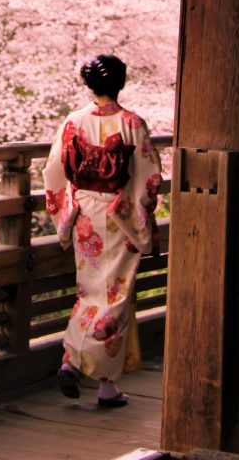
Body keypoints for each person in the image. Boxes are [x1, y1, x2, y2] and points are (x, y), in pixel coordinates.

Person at [43, 54, 161, 407]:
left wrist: (67, 206)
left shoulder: (72, 121)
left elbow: (53, 172)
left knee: (88, 289)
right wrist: (139, 209)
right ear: (120, 82)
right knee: (116, 296)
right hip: (119, 214)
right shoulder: (131, 123)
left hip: (85, 216)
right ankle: (97, 379)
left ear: (89, 84)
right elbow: (149, 179)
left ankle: (76, 363)